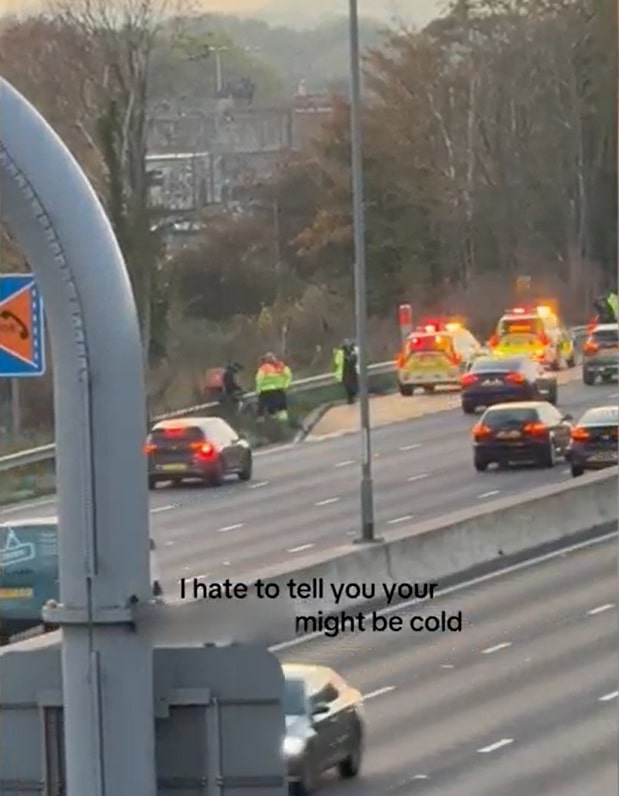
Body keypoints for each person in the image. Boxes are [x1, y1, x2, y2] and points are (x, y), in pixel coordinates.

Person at [255, 352, 292, 421]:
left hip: (268, 390)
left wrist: (258, 390)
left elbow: (259, 379)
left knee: (265, 404)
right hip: (276, 389)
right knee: (280, 404)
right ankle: (276, 416)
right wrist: (285, 385)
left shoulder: (264, 368)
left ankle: (264, 416)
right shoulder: (280, 366)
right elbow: (288, 376)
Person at [333, 339, 359, 404]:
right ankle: (350, 399)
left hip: (351, 371)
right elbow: (337, 363)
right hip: (345, 372)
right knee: (349, 386)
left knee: (352, 386)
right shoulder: (340, 353)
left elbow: (354, 359)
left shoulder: (353, 351)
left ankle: (351, 398)